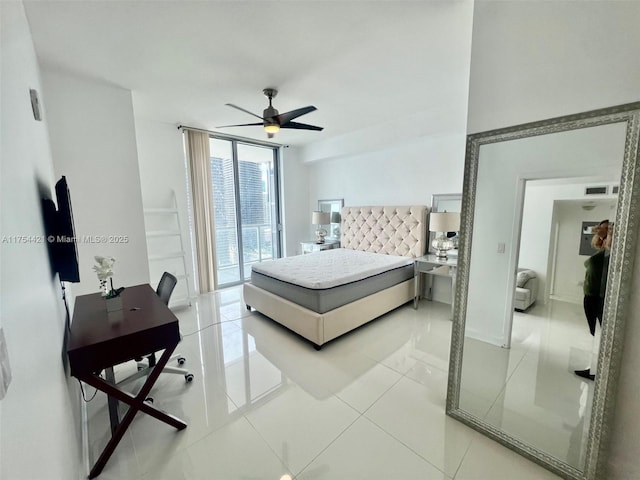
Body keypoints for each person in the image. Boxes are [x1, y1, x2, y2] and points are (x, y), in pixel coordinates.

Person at [574, 219, 610, 381]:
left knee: (598, 334)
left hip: (596, 297)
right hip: (591, 295)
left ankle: (596, 370)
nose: (600, 233)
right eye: (600, 230)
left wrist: (607, 235)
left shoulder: (610, 252)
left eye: (605, 230)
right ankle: (596, 368)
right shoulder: (604, 249)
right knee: (595, 334)